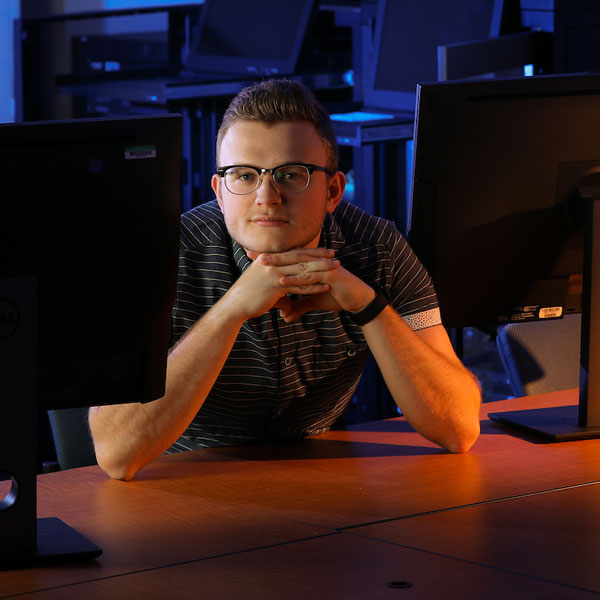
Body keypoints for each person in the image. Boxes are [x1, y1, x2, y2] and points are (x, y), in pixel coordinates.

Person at [89, 79, 481, 480]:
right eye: (244, 176)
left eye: (291, 175)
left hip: (322, 484)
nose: (267, 196)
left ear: (333, 190)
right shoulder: (167, 257)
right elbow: (117, 455)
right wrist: (232, 309)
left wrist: (369, 306)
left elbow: (459, 428)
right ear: (220, 192)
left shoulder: (378, 249)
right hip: (180, 486)